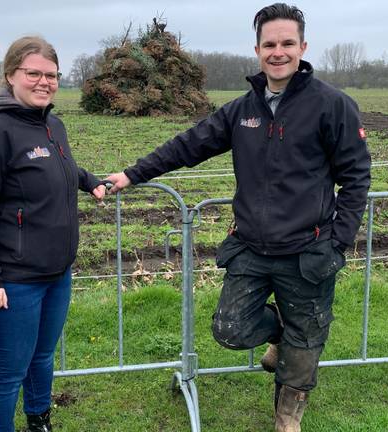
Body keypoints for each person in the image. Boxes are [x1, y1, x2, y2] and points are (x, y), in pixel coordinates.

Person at [106, 4, 371, 431]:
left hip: (309, 249)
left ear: (303, 47)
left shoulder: (332, 106)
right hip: (250, 247)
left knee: (306, 345)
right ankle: (277, 330)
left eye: (287, 43)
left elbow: (356, 179)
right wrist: (134, 174)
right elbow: (188, 144)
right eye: (270, 44)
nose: (278, 52)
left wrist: (338, 241)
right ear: (257, 50)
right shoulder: (242, 110)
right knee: (230, 330)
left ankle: (288, 418)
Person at [0, 36, 105, 432]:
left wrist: (89, 180)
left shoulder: (52, 124)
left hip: (56, 274)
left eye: (51, 75)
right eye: (33, 73)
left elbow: (61, 168)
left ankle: (39, 422)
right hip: (10, 281)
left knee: (41, 359)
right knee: (7, 373)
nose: (44, 82)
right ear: (10, 76)